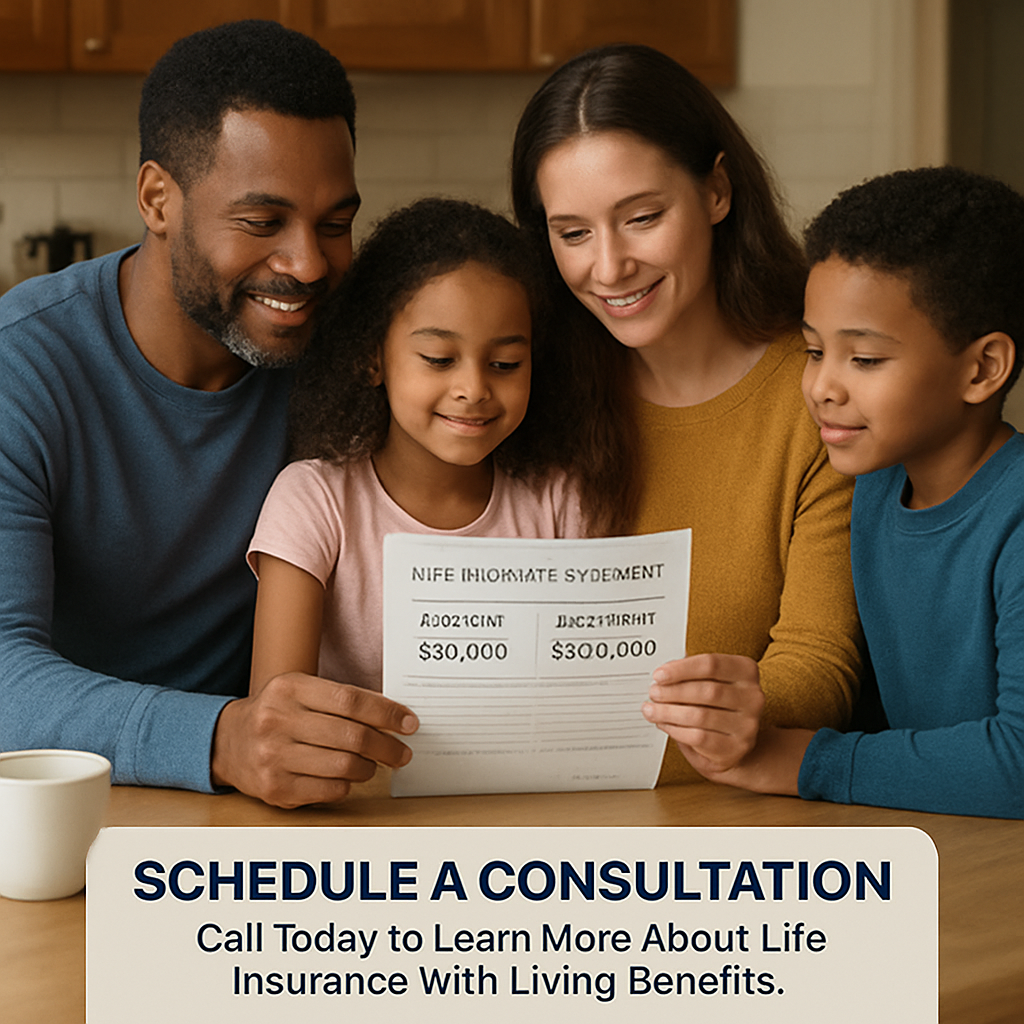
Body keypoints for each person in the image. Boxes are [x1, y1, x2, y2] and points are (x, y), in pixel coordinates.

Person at [0, 20, 416, 808]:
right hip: (65, 805)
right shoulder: (23, 365)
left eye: (336, 224)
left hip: (270, 818)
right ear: (159, 199)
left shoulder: (352, 353)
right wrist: (225, 736)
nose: (307, 264)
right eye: (262, 223)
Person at [511, 44, 863, 784]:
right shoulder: (521, 386)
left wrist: (746, 702)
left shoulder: (818, 392)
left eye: (641, 217)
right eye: (572, 233)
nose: (608, 268)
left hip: (732, 831)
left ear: (716, 192)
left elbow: (821, 667)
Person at [664, 166, 1024, 818]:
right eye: (812, 350)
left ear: (982, 368)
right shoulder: (874, 487)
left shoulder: (1016, 518)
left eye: (864, 359)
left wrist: (807, 759)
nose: (823, 386)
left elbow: (1019, 762)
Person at [247, 198, 585, 708]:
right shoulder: (315, 501)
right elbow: (275, 716)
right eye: (438, 359)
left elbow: (583, 694)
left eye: (505, 363)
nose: (473, 388)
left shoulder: (558, 499)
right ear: (373, 358)